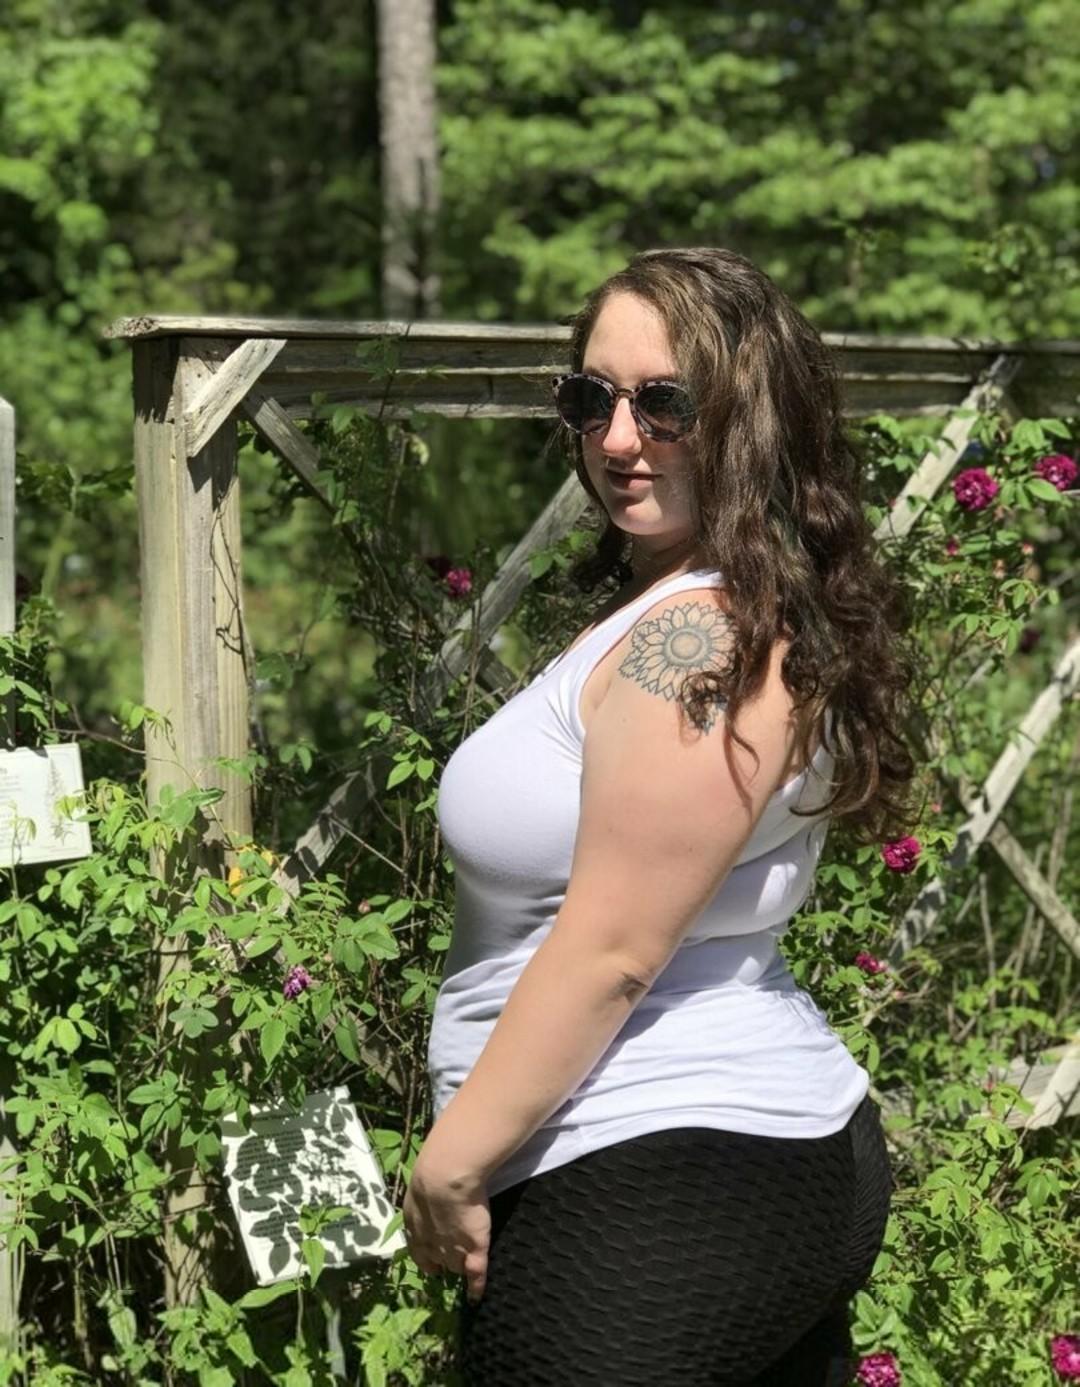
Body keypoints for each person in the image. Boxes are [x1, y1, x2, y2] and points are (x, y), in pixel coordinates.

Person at [403, 246, 917, 1385]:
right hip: (700, 1162)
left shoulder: (703, 633)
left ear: (752, 418)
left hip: (659, 1172)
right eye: (591, 398)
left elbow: (614, 949)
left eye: (666, 404)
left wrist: (452, 1161)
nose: (619, 438)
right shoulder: (715, 607)